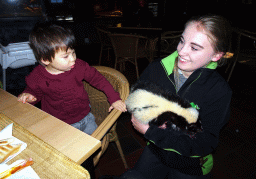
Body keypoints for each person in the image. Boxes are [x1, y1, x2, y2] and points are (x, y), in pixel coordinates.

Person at [101, 15, 232, 179]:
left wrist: (151, 132)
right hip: (156, 149)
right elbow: (140, 95)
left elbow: (205, 143)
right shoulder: (157, 68)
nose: (181, 51)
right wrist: (128, 104)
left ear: (216, 56)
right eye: (182, 40)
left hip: (191, 162)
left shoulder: (219, 91)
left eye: (195, 47)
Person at [17, 23, 127, 135]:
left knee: (92, 145)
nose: (73, 59)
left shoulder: (79, 66)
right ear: (45, 59)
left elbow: (100, 80)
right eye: (66, 56)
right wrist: (29, 95)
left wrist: (114, 98)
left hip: (86, 118)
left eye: (73, 53)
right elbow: (35, 92)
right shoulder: (38, 76)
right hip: (57, 124)